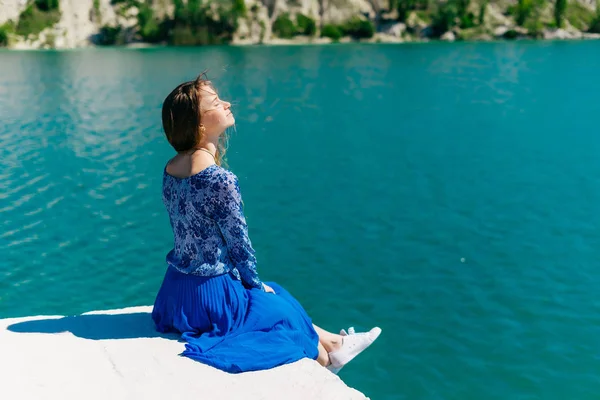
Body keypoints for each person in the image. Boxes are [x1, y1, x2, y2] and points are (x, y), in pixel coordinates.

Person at [151, 73, 381, 374]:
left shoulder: (170, 169)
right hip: (209, 298)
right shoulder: (220, 180)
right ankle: (330, 357)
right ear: (201, 125)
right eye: (217, 102)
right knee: (276, 305)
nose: (228, 104)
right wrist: (254, 286)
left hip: (176, 294)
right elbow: (239, 246)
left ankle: (337, 347)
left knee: (277, 296)